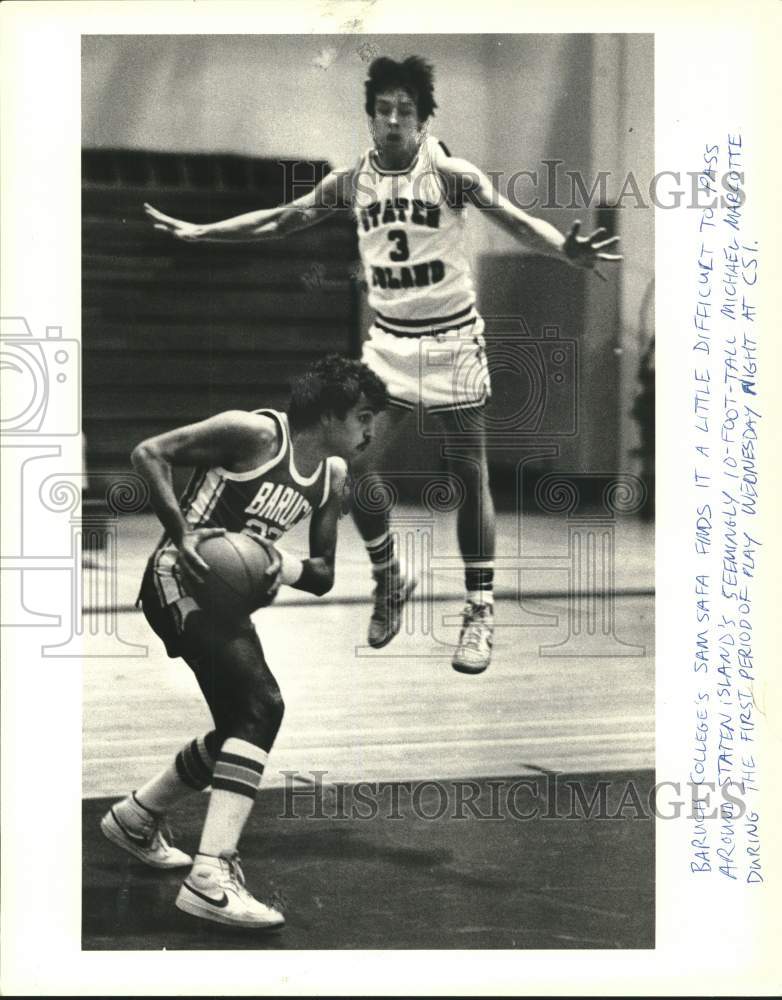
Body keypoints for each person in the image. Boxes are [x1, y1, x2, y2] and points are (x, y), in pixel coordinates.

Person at [144, 55, 621, 675]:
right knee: (351, 469)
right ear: (370, 116)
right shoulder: (350, 182)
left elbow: (514, 219)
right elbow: (280, 219)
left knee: (469, 473)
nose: (394, 120)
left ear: (424, 121)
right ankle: (389, 574)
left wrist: (565, 250)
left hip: (452, 339)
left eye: (406, 111)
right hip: (390, 342)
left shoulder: (450, 175)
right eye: (384, 109)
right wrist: (203, 233)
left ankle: (480, 613)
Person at [100, 355, 387, 929]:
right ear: (329, 413)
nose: (369, 431)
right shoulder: (254, 433)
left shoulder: (331, 476)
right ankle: (209, 877)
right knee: (262, 706)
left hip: (224, 599)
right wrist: (182, 536)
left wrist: (273, 565)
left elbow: (324, 573)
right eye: (361, 416)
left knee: (241, 723)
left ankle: (137, 816)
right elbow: (148, 453)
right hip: (177, 580)